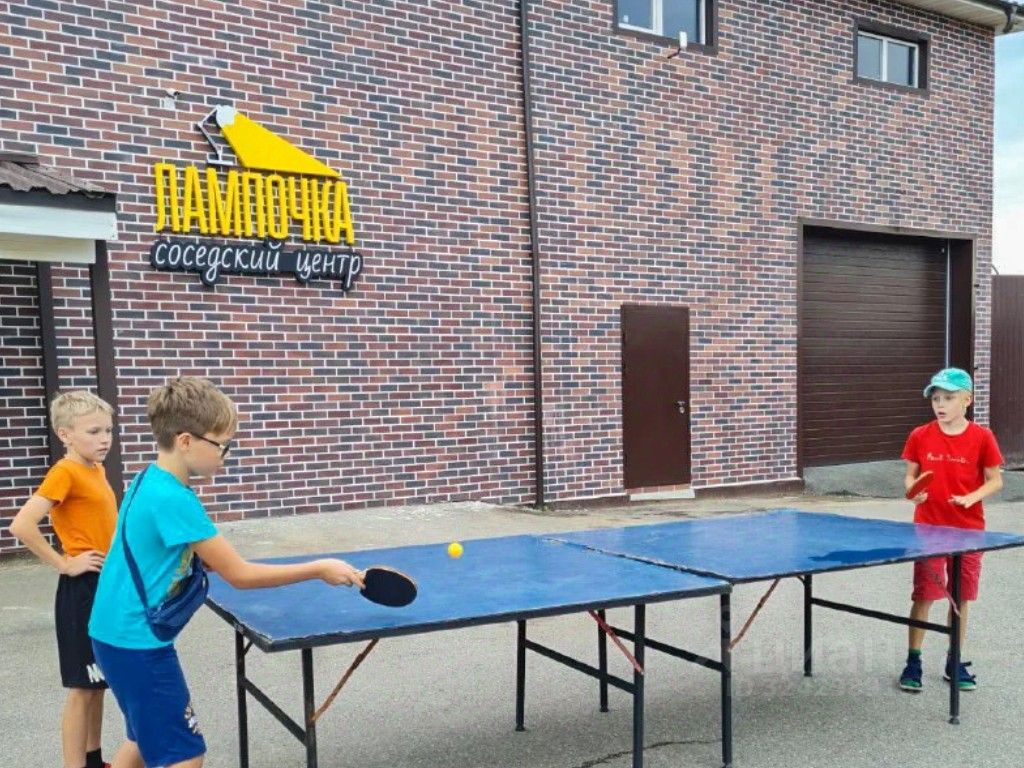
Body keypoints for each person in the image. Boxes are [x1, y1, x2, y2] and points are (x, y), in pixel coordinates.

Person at [87, 377, 364, 768]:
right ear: (186, 441)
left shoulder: (148, 479)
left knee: (141, 740)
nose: (225, 455)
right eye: (221, 444)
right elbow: (239, 575)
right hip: (138, 644)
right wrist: (319, 568)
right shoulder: (174, 498)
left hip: (110, 634)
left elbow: (172, 551)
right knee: (186, 755)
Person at [10, 391, 118, 768]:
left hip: (104, 586)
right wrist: (64, 563)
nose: (104, 439)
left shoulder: (95, 469)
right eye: (93, 431)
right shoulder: (65, 472)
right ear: (65, 434)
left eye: (108, 430)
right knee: (81, 689)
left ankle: (94, 761)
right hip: (81, 590)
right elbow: (22, 525)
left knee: (97, 682)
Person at [898, 367, 1003, 693]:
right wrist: (914, 490)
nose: (940, 404)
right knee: (925, 596)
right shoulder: (920, 435)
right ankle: (913, 661)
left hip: (969, 531)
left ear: (967, 400)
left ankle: (953, 660)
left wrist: (972, 497)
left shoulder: (982, 437)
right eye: (936, 399)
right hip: (928, 530)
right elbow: (910, 477)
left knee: (959, 599)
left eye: (948, 398)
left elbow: (995, 481)